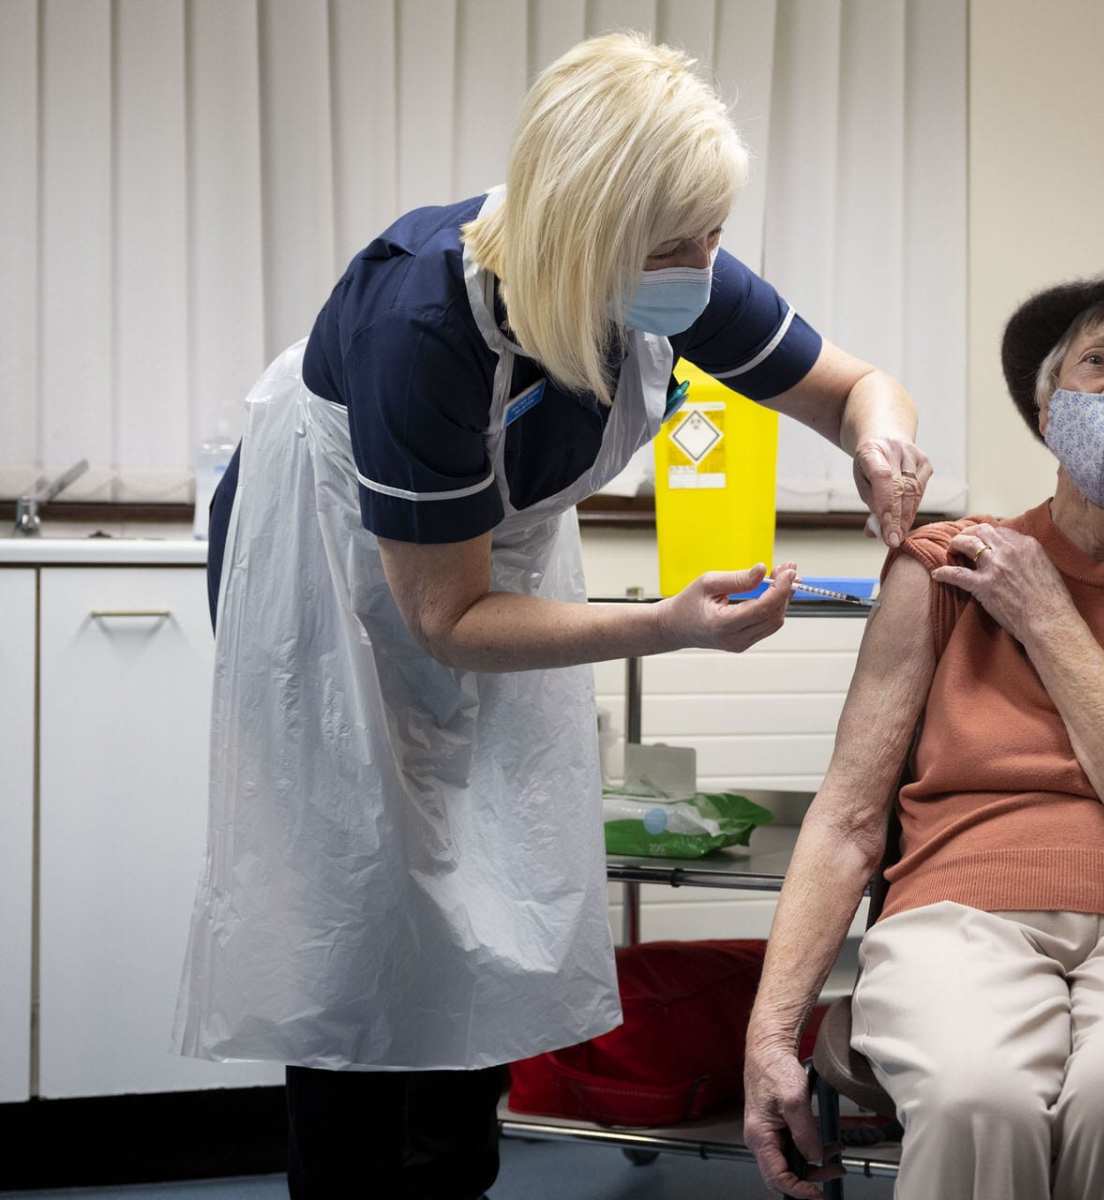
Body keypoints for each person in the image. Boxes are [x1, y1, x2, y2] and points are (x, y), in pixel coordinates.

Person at [172, 32, 931, 1199]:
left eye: (712, 236)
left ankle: (454, 1171)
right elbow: (448, 617)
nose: (704, 265)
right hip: (334, 572)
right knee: (361, 898)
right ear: (583, 228)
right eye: (678, 245)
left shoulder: (666, 266)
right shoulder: (421, 325)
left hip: (485, 567)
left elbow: (852, 385)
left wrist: (881, 437)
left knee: (490, 873)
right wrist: (670, 626)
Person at [743, 257, 1104, 1199]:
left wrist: (1045, 612)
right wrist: (768, 1034)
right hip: (962, 912)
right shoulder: (944, 565)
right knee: (974, 1099)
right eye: (1097, 361)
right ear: (1048, 411)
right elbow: (845, 816)